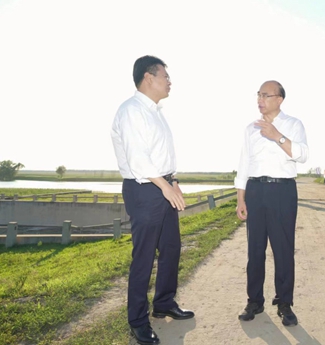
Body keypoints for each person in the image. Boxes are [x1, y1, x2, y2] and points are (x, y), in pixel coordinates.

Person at [111, 55, 194, 345]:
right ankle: (137, 320)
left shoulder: (155, 112)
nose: (169, 81)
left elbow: (162, 156)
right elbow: (138, 159)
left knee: (171, 248)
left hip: (163, 186)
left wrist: (174, 184)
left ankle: (164, 303)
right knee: (144, 256)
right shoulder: (132, 110)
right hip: (145, 190)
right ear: (149, 77)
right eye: (165, 76)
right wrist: (164, 186)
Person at [234, 80, 309, 326]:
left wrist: (277, 136)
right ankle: (254, 300)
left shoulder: (293, 125)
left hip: (282, 190)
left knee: (283, 249)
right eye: (258, 95)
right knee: (255, 250)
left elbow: (303, 155)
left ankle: (285, 302)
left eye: (266, 95)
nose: (260, 99)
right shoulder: (250, 129)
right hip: (255, 190)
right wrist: (241, 199)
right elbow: (244, 164)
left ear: (280, 99)